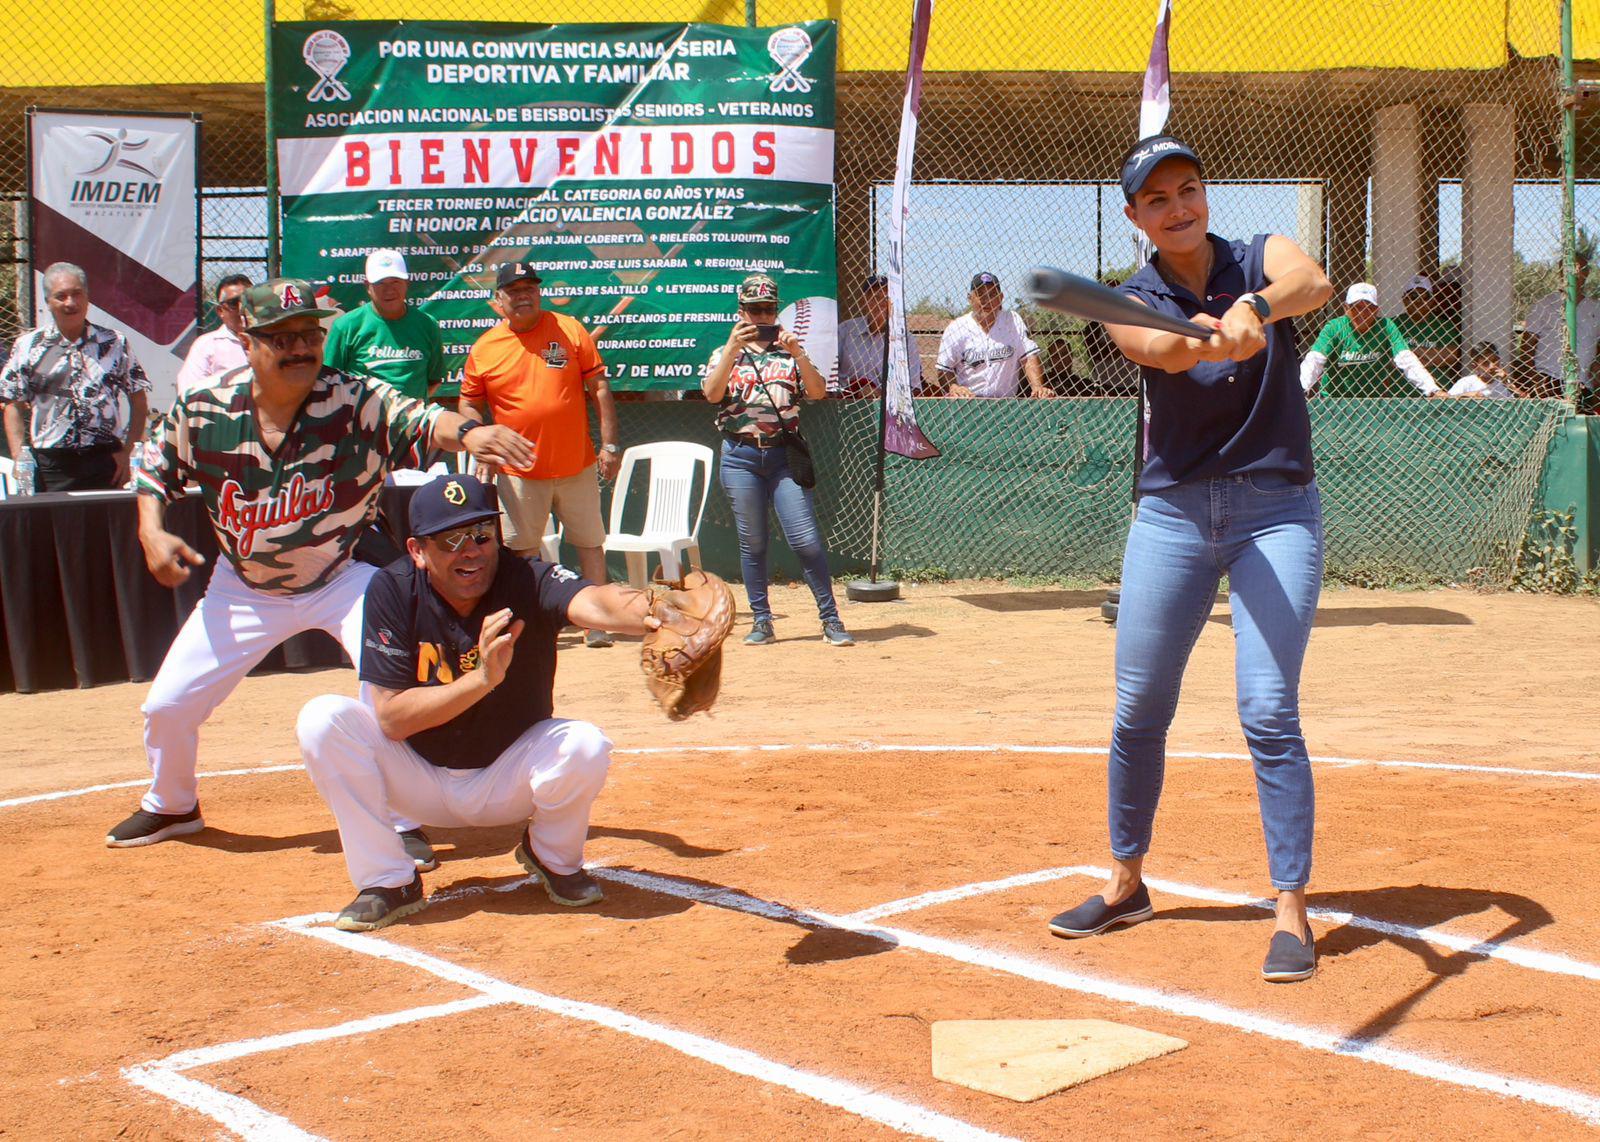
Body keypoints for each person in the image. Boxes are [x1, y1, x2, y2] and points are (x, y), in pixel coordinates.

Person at [105, 277, 534, 852]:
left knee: (385, 693)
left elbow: (425, 420)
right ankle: (172, 804)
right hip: (246, 585)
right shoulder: (207, 406)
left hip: (345, 573)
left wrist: (476, 431)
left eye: (308, 334)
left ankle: (398, 817)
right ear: (249, 343)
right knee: (167, 705)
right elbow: (155, 466)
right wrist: (150, 530)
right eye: (281, 338)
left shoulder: (353, 397)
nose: (300, 348)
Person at [1047, 135, 1333, 983]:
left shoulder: (1254, 254)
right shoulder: (1129, 296)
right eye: (1159, 199)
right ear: (1136, 217)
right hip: (1172, 513)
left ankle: (1290, 905)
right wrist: (1203, 341)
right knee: (1138, 707)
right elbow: (1157, 350)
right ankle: (1127, 880)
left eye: (1190, 189)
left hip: (1275, 510)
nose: (1180, 207)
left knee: (1267, 707)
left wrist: (1257, 309)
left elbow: (1310, 280)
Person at [296, 473, 660, 930]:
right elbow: (390, 719)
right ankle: (389, 881)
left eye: (481, 534)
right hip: (416, 780)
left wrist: (654, 611)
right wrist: (482, 679)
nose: (470, 550)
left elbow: (598, 602)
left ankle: (552, 857)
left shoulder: (525, 577)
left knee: (585, 744)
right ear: (417, 551)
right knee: (324, 719)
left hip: (504, 779)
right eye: (450, 539)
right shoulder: (393, 589)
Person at [459, 261, 621, 649]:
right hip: (518, 472)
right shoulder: (484, 349)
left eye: (529, 288)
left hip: (576, 464)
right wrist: (479, 437)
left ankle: (595, 623)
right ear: (498, 300)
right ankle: (531, 623)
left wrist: (610, 444)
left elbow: (599, 388)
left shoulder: (568, 329)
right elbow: (468, 404)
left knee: (589, 544)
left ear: (539, 292)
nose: (523, 296)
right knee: (523, 551)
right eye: (513, 291)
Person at [703, 273, 852, 647]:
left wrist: (799, 353)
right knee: (753, 542)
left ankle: (831, 619)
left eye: (768, 310)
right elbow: (711, 394)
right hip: (740, 456)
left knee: (806, 541)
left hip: (784, 456)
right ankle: (762, 621)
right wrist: (732, 348)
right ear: (741, 312)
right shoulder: (725, 354)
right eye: (754, 311)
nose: (762, 318)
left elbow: (817, 393)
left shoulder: (789, 351)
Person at [0, 262, 150, 491]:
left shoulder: (114, 343)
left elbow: (138, 400)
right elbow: (13, 404)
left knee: (106, 526)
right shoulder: (28, 347)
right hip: (52, 466)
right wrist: (20, 457)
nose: (71, 303)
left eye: (77, 294)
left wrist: (129, 452)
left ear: (87, 297)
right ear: (48, 301)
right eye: (61, 296)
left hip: (106, 462)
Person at [323, 250, 446, 404]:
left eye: (395, 281)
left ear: (407, 283)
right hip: (361, 424)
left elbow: (434, 380)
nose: (389, 290)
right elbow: (328, 382)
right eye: (380, 283)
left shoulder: (428, 325)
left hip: (414, 424)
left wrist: (407, 412)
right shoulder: (346, 326)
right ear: (367, 286)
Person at [1299, 283, 1443, 398]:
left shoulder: (1386, 327)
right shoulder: (1334, 327)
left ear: (1377, 310)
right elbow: (1315, 360)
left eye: (1369, 308)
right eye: (1357, 308)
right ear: (1346, 308)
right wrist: (1301, 391)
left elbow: (1406, 359)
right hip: (1335, 399)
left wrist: (1432, 390)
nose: (1362, 313)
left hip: (1373, 400)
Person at [933, 273, 1051, 398]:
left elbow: (1028, 357)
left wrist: (1037, 387)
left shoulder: (1012, 321)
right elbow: (944, 369)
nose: (986, 300)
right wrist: (954, 387)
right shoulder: (956, 328)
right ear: (970, 298)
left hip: (1005, 403)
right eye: (980, 294)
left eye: (992, 295)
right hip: (967, 403)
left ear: (1001, 298)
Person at [1519, 250, 1600, 400]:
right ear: (1560, 273)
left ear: (1586, 273)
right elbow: (1526, 346)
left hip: (1583, 385)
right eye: (1566, 269)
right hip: (1548, 380)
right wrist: (1535, 380)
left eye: (1576, 269)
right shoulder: (1544, 305)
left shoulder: (1596, 309)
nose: (1571, 274)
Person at [834, 274, 922, 398]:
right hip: (846, 403)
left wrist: (881, 395)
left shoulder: (905, 339)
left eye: (886, 298)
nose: (880, 303)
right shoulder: (845, 330)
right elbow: (829, 377)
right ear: (864, 301)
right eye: (875, 297)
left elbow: (914, 388)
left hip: (888, 409)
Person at [176, 275, 252, 395]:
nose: (242, 308)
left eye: (248, 300)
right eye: (234, 303)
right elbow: (189, 392)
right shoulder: (207, 345)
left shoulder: (273, 340)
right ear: (220, 311)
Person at [1393, 275, 1461, 380]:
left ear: (1432, 300)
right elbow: (1387, 359)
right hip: (1398, 393)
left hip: (1437, 392)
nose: (1419, 301)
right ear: (1404, 299)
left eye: (1425, 297)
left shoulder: (1444, 325)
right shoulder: (1393, 324)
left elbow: (1450, 356)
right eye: (1414, 296)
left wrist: (1409, 353)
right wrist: (1432, 356)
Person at [1449, 341, 1524, 399]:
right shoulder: (1466, 383)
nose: (1492, 366)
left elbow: (1525, 400)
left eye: (1495, 360)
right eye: (1485, 363)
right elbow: (1445, 399)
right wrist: (1465, 395)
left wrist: (1508, 384)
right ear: (1474, 367)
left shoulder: (1503, 383)